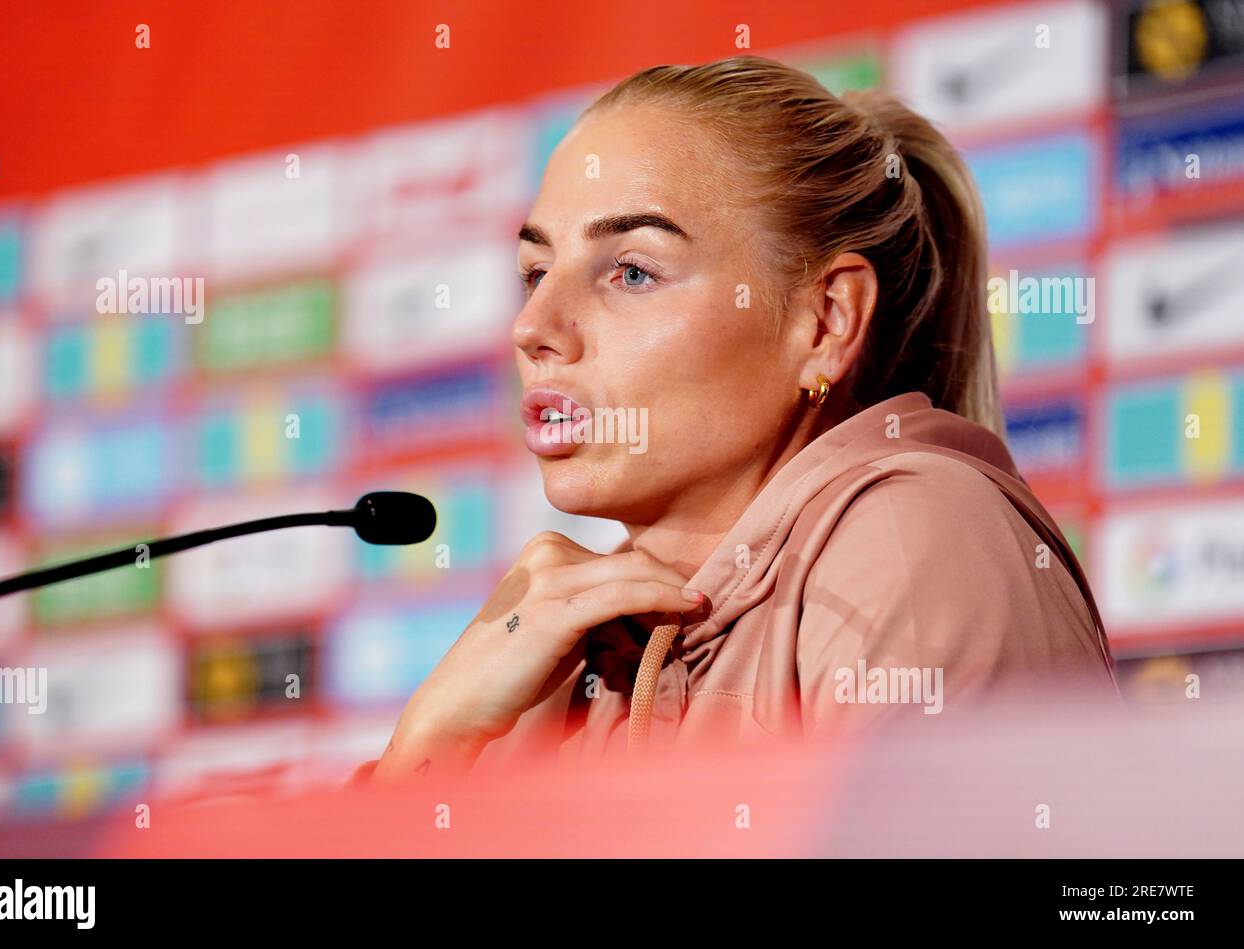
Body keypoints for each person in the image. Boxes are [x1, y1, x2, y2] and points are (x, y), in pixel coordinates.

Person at [352, 55, 1117, 787]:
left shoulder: (914, 533)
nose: (534, 326)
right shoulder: (551, 650)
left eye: (632, 271)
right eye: (535, 273)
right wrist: (427, 749)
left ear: (824, 322)